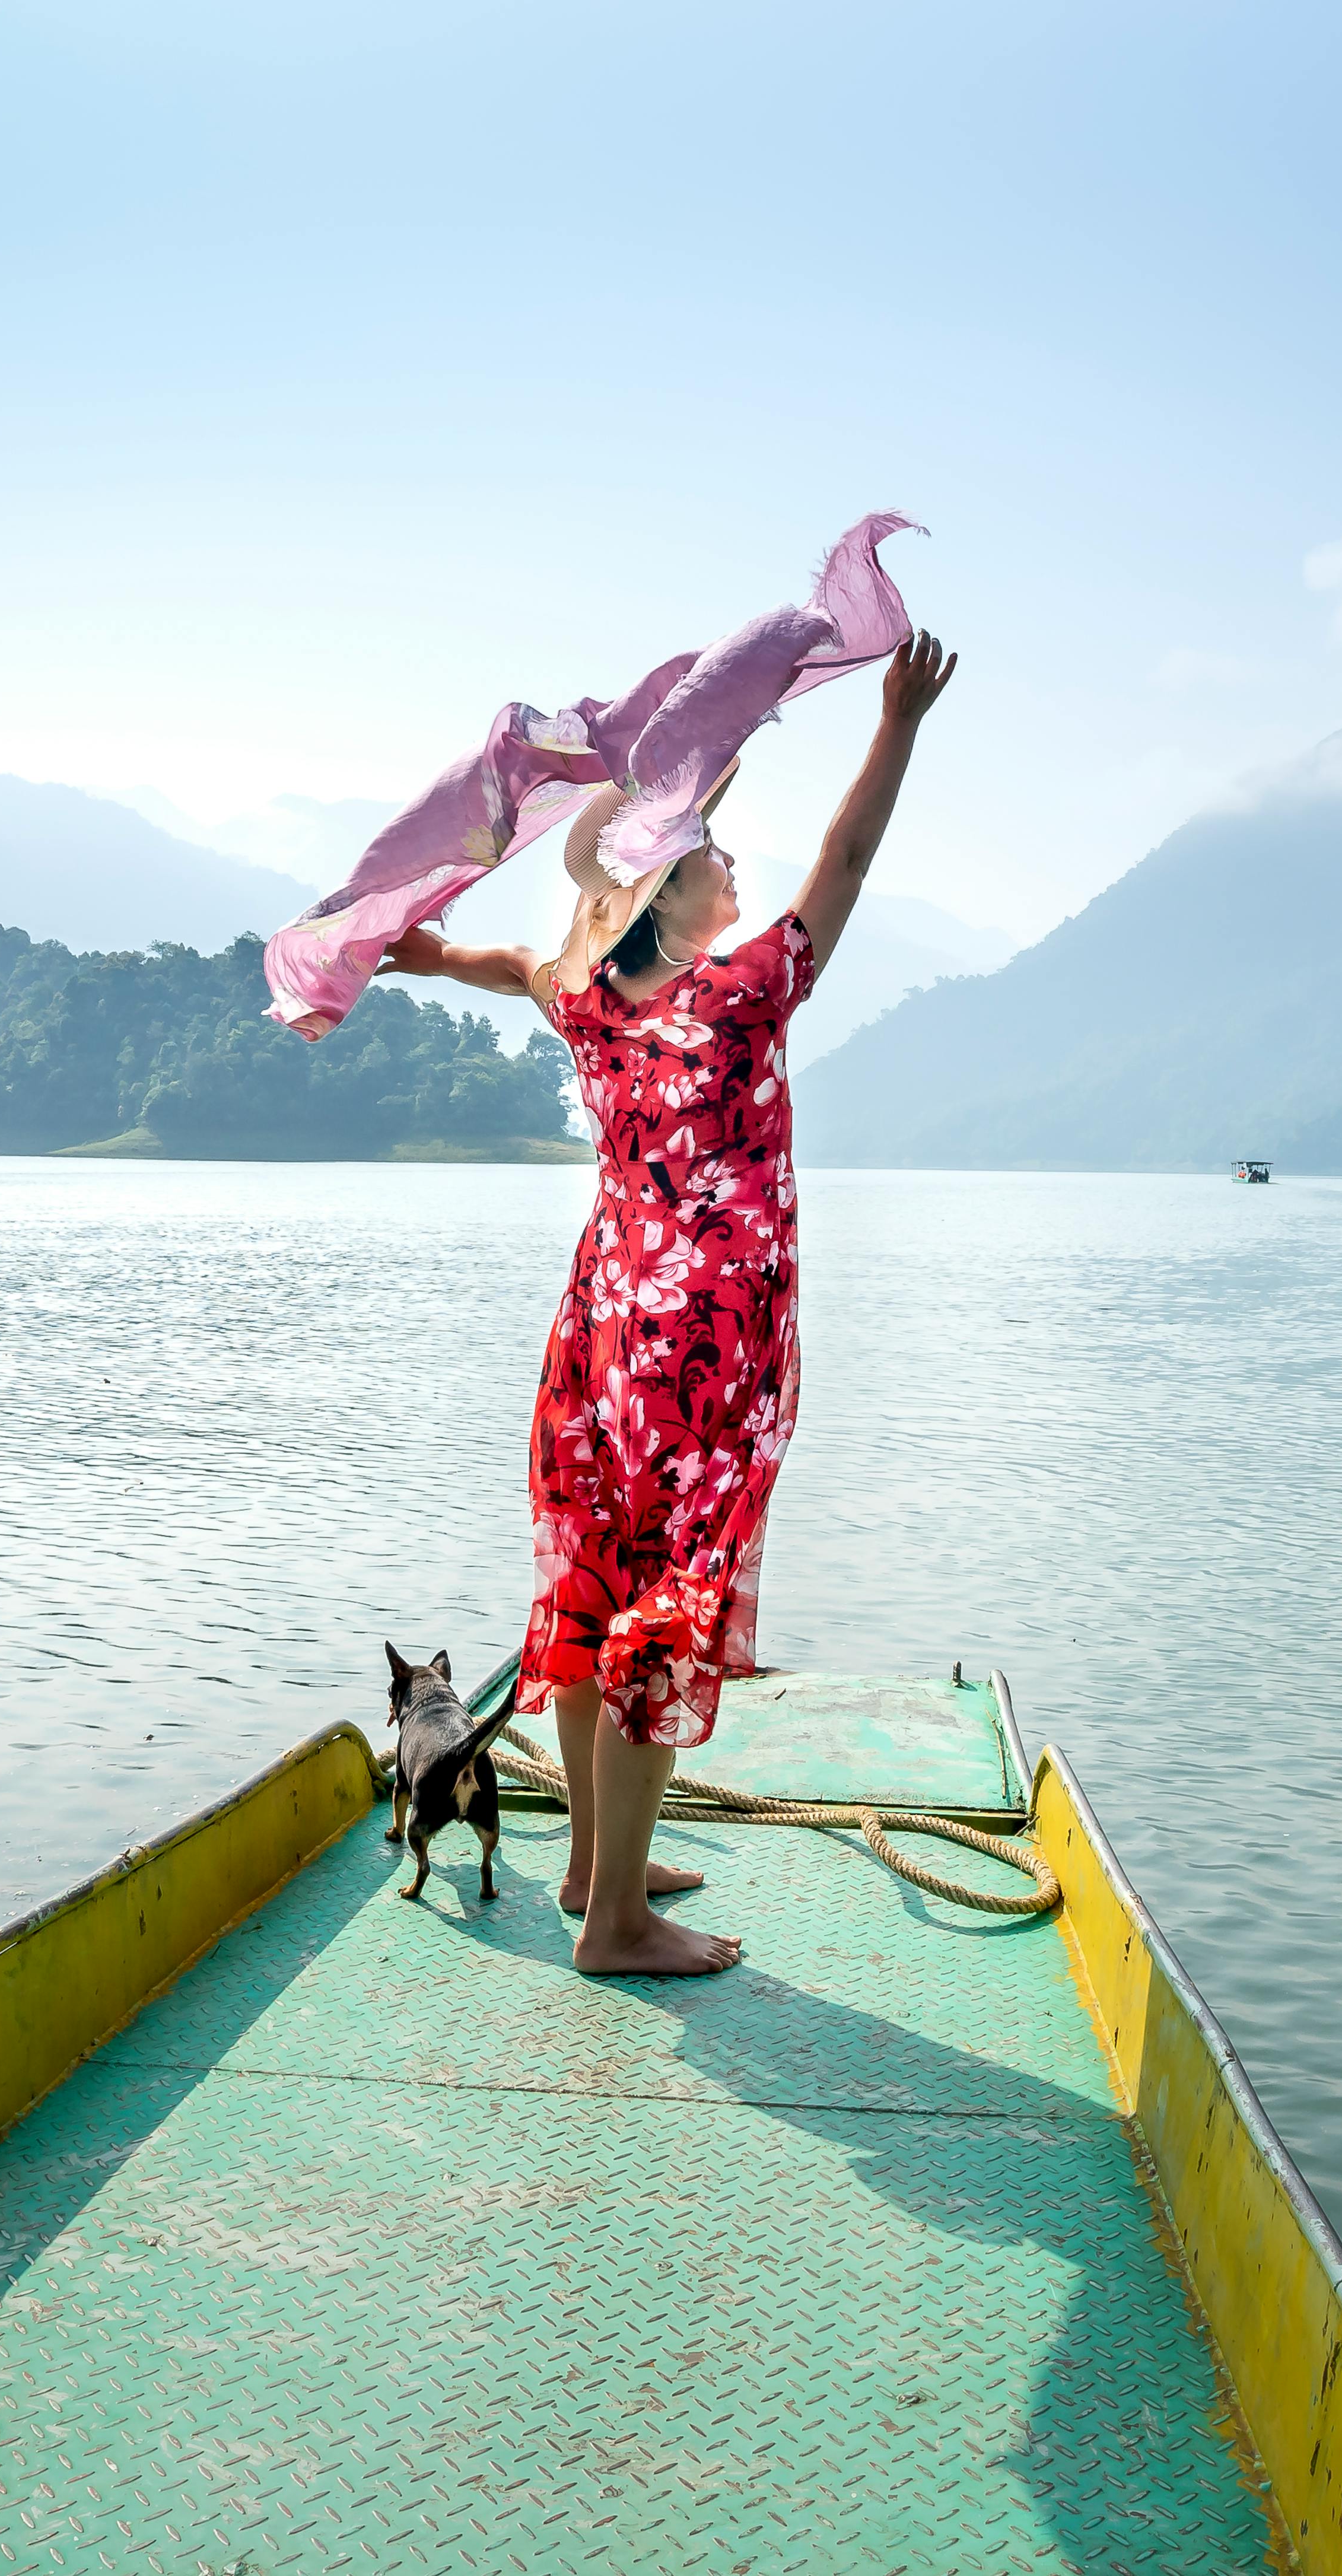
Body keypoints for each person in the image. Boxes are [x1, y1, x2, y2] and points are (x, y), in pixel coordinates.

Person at [383, 630, 956, 1974]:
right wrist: (898, 723)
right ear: (672, 896)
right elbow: (851, 860)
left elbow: (508, 964)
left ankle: (593, 1864)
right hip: (701, 1341)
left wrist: (419, 956)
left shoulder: (586, 998)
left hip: (599, 1326)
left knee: (589, 1583)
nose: (735, 870)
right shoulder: (745, 996)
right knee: (660, 1604)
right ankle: (622, 1924)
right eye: (713, 858)